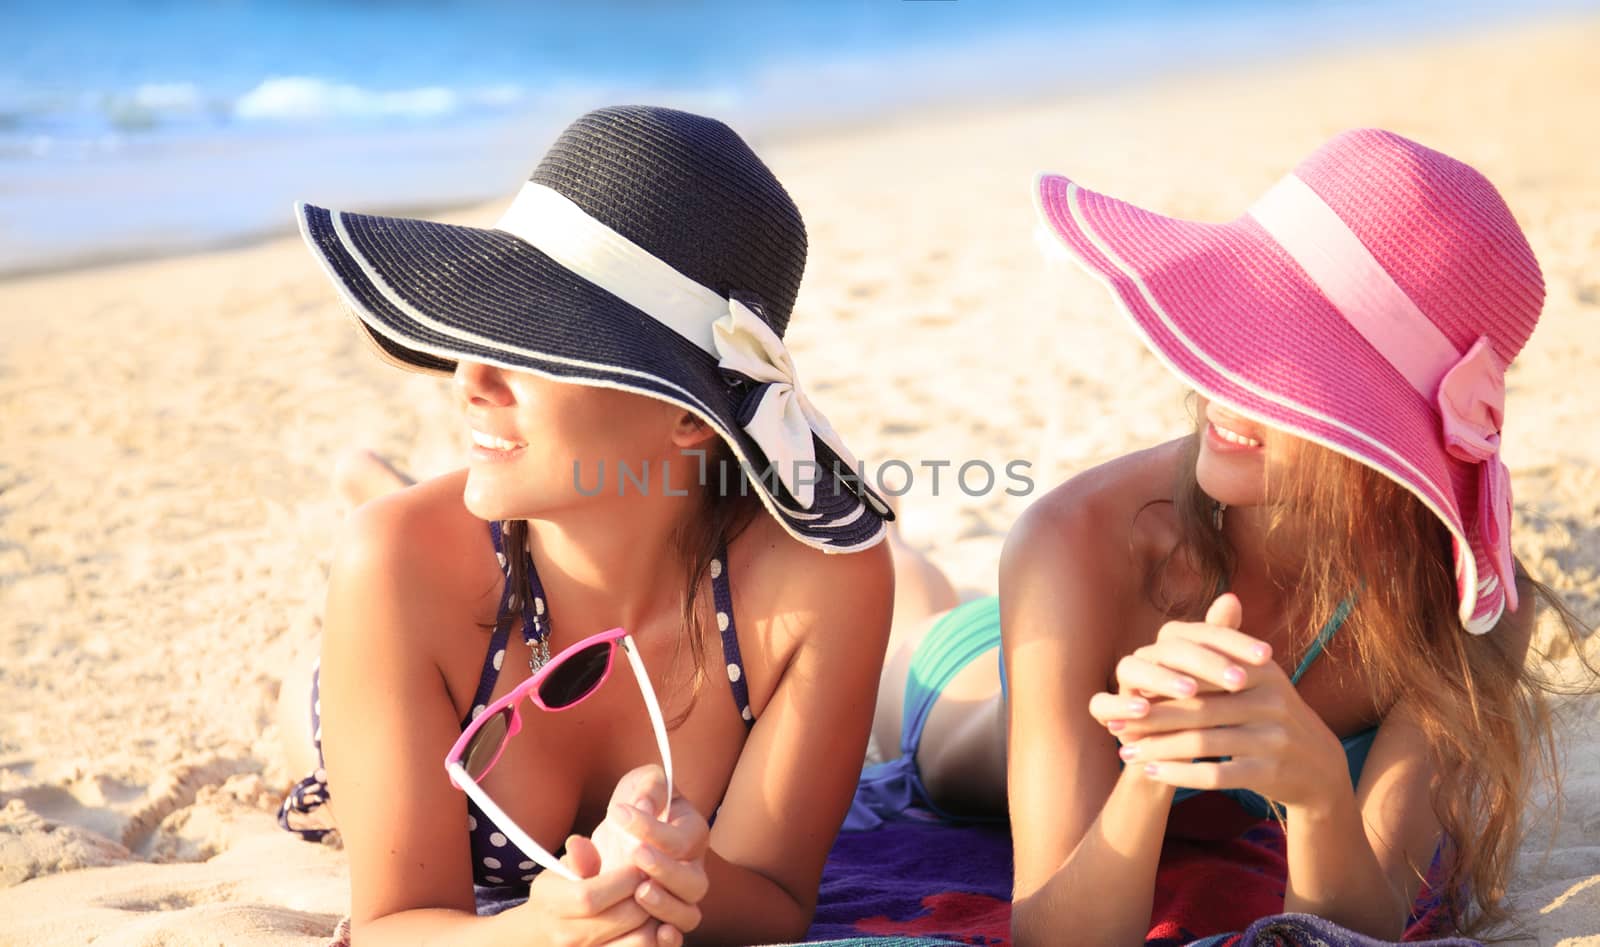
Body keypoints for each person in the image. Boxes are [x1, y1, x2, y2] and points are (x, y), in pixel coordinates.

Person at [868, 128, 1589, 945]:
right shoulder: (1076, 537)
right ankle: (887, 538)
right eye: (1238, 331)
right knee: (903, 616)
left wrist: (1320, 792)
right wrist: (1148, 769)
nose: (1227, 388)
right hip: (973, 685)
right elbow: (1053, 934)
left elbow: (1360, 923)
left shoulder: (1463, 604)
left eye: (1293, 366)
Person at [274, 105, 897, 947]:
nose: (470, 377)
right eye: (479, 330)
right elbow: (393, 924)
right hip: (388, 636)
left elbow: (779, 898)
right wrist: (541, 930)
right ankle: (373, 482)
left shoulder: (823, 585)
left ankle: (380, 478)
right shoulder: (391, 563)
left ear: (690, 419)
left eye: (535, 346)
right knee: (378, 556)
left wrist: (667, 884)